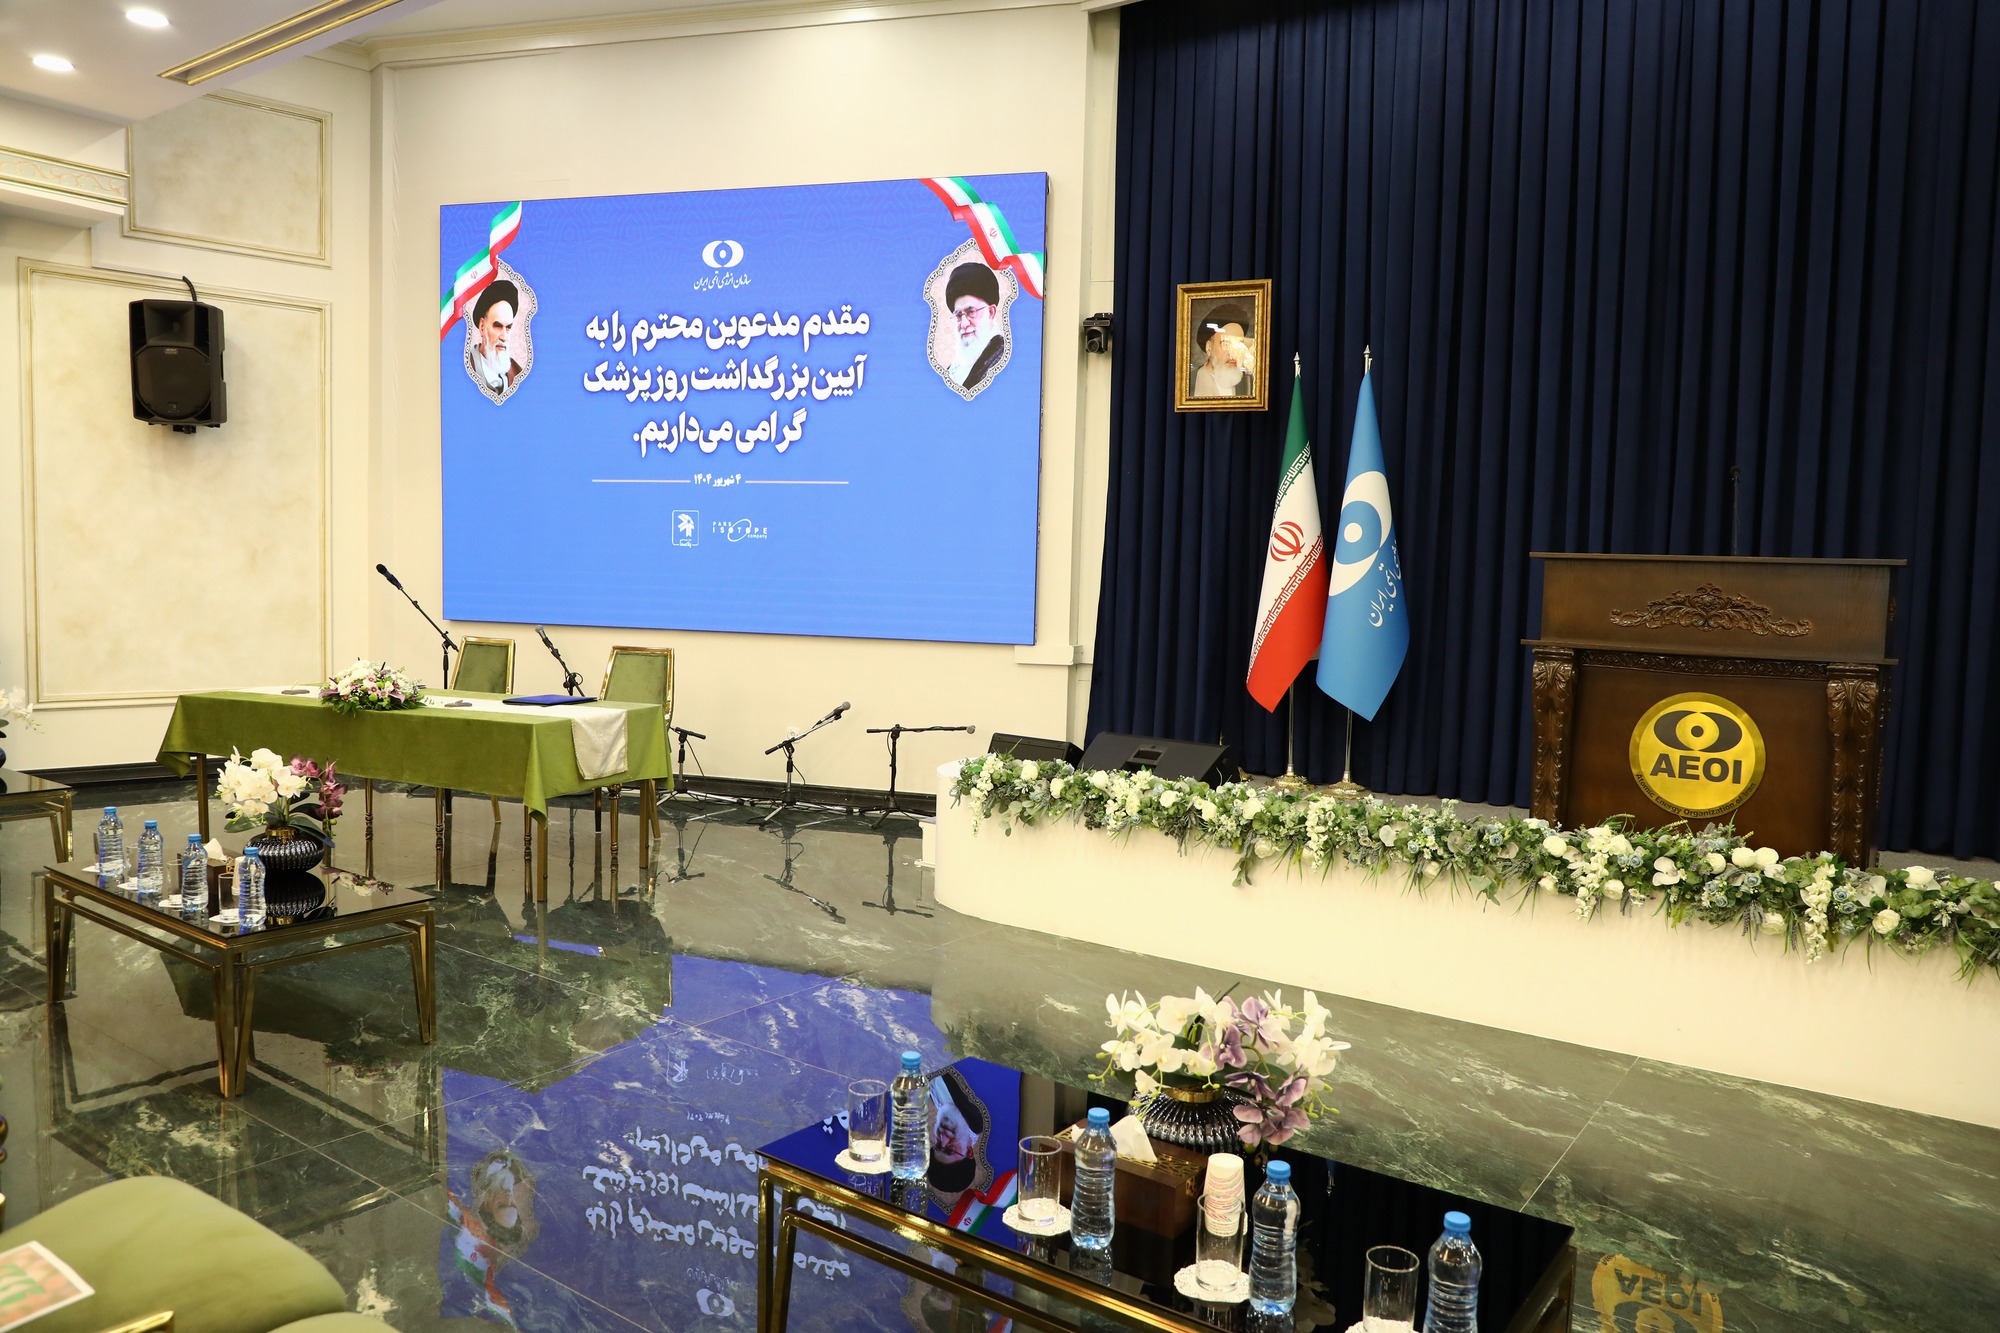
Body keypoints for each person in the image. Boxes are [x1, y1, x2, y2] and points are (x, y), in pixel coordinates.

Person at [944, 262, 1006, 392]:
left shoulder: (1004, 359)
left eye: (971, 312)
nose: (964, 324)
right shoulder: (954, 370)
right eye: (959, 315)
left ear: (991, 312)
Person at [469, 279, 525, 396]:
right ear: (482, 327)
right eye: (498, 326)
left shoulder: (518, 374)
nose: (504, 337)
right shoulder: (465, 367)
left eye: (508, 327)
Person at [1191, 302, 1256, 397]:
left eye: (1238, 345)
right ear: (1209, 348)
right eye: (1226, 344)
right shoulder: (1189, 381)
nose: (1233, 353)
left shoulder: (1250, 383)